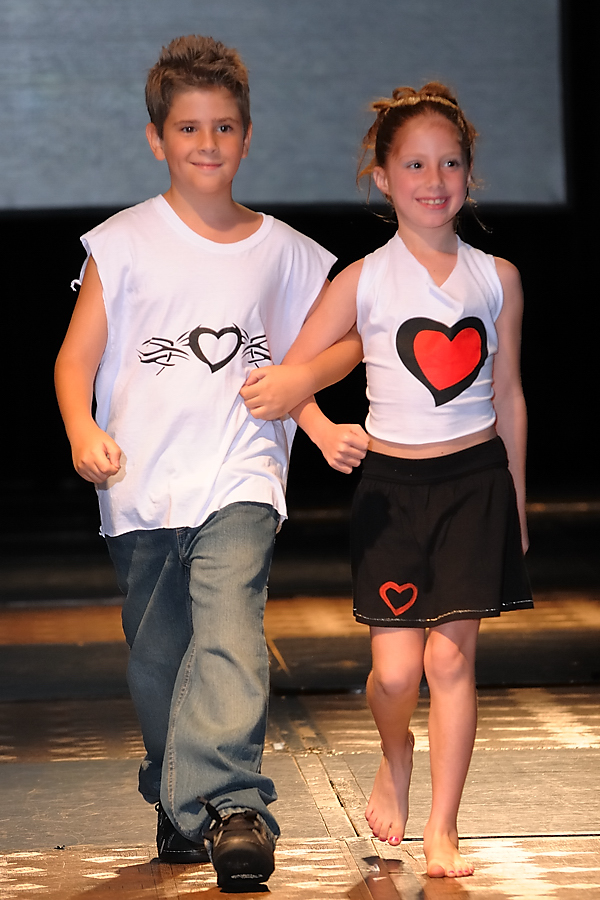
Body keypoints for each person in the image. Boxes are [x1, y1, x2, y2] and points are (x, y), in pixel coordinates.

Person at [53, 34, 346, 889]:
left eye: (224, 127)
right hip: (140, 486)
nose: (207, 143)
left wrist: (307, 397)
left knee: (230, 634)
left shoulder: (284, 251)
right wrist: (80, 430)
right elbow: (74, 360)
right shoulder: (121, 243)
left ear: (247, 137)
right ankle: (179, 798)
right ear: (157, 139)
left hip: (241, 476)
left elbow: (338, 339)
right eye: (188, 128)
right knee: (159, 659)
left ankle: (233, 806)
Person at [241, 82, 533, 879]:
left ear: (469, 173)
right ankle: (394, 749)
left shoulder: (497, 277)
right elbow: (289, 374)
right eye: (414, 164)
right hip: (393, 496)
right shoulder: (362, 279)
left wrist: (516, 499)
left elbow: (509, 394)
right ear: (381, 176)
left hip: (474, 484)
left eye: (450, 163)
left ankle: (444, 828)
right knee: (397, 674)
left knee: (451, 663)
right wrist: (321, 428)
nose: (434, 180)